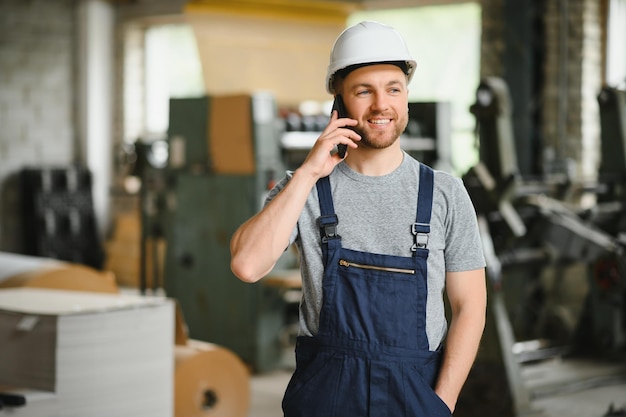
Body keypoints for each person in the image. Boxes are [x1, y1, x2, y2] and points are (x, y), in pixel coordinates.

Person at [231, 21, 487, 417]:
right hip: (325, 397)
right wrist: (307, 173)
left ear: (406, 98)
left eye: (393, 89)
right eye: (363, 91)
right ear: (340, 103)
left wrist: (443, 402)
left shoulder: (445, 194)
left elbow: (470, 305)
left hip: (415, 398)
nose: (381, 104)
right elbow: (246, 265)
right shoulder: (305, 189)